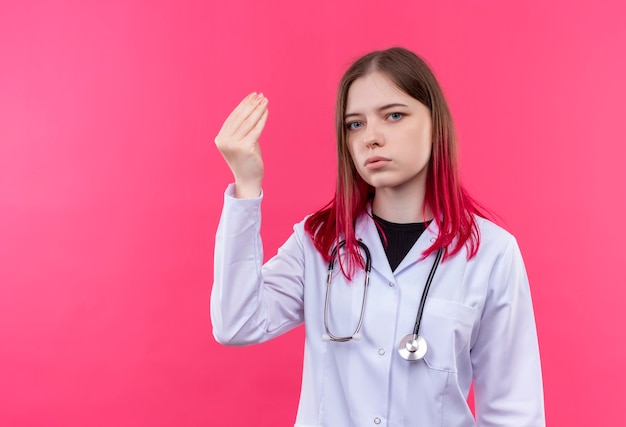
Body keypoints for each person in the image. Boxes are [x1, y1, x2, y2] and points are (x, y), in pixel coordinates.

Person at [211, 47, 545, 427]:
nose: (371, 137)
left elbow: (514, 411)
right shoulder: (318, 241)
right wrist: (247, 184)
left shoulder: (491, 253)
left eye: (394, 116)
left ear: (435, 123)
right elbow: (236, 323)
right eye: (355, 124)